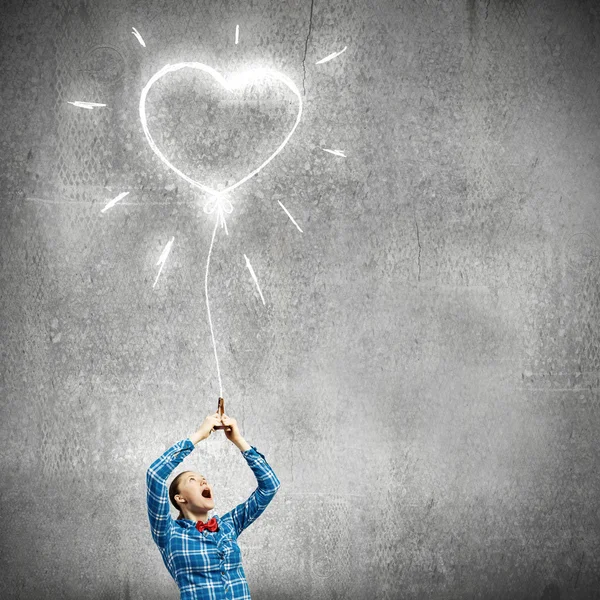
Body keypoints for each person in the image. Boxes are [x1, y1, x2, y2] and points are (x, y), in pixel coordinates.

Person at [146, 410, 281, 599]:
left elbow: (270, 486)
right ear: (180, 498)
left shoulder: (228, 526)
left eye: (204, 479)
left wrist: (238, 440)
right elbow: (155, 474)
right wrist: (199, 435)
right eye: (192, 480)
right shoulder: (168, 534)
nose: (204, 482)